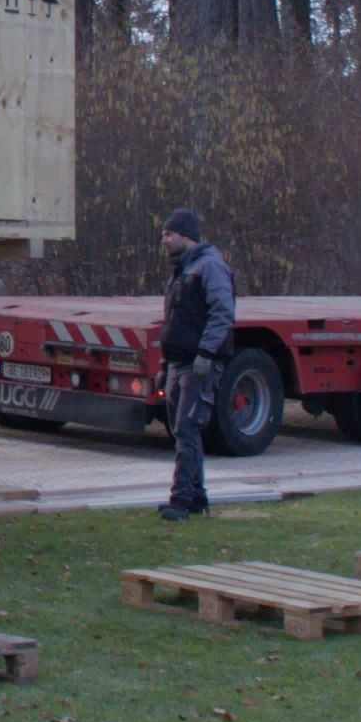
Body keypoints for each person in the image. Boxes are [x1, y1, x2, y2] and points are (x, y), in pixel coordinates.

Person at [157, 209, 237, 523]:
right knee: (183, 432)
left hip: (198, 363)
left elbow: (222, 313)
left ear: (186, 235)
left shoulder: (210, 267)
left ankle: (180, 501)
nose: (164, 240)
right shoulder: (182, 270)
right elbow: (174, 321)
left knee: (187, 428)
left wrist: (206, 353)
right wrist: (165, 363)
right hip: (178, 362)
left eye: (168, 234)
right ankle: (196, 497)